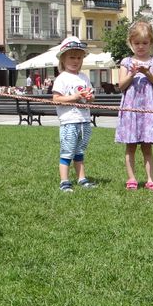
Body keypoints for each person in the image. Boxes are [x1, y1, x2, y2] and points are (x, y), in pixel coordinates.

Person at [115, 20, 153, 191]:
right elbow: (121, 85)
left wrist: (148, 73)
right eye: (137, 43)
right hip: (131, 111)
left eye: (145, 43)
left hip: (148, 112)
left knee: (147, 147)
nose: (141, 47)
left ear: (151, 43)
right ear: (131, 43)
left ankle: (151, 180)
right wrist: (132, 73)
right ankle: (132, 179)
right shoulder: (126, 62)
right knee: (130, 147)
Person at [52, 36, 97, 193]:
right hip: (69, 122)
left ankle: (81, 178)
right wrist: (75, 97)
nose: (75, 60)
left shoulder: (84, 77)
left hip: (84, 121)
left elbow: (90, 98)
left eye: (79, 57)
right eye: (72, 57)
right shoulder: (61, 79)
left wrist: (90, 98)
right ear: (63, 59)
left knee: (80, 152)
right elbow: (56, 99)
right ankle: (64, 181)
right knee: (67, 151)